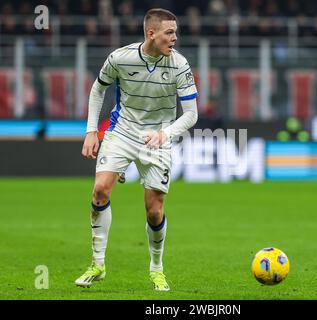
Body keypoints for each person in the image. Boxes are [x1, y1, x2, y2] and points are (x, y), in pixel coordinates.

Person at [75, 8, 198, 291]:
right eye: (169, 33)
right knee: (100, 190)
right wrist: (91, 131)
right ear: (151, 33)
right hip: (123, 132)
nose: (175, 38)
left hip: (158, 137)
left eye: (176, 32)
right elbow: (98, 89)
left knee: (154, 210)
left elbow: (191, 115)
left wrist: (164, 133)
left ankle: (157, 269)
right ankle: (97, 264)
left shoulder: (180, 64)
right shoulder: (120, 58)